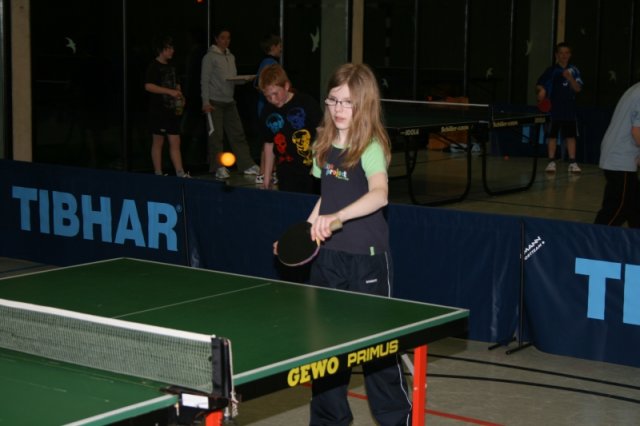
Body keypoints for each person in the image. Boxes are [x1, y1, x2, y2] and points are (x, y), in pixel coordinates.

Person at [304, 63, 412, 425]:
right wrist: (306, 231)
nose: (338, 109)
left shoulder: (371, 146)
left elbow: (380, 195)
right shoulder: (324, 144)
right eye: (333, 100)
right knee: (325, 352)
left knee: (377, 352)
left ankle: (396, 420)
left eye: (348, 102)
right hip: (328, 259)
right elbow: (326, 196)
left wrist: (338, 218)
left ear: (364, 104)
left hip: (367, 261)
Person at [200, 28, 260, 180]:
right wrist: (205, 102)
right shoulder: (209, 57)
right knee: (216, 136)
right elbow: (204, 81)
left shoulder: (231, 56)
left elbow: (230, 79)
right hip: (214, 102)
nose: (226, 41)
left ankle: (246, 165)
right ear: (216, 39)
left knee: (238, 134)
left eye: (228, 38)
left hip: (229, 101)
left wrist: (244, 79)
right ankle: (219, 167)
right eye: (222, 38)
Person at [258, 64, 322, 193]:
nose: (273, 100)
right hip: (285, 172)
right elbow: (269, 144)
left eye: (275, 94)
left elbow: (323, 133)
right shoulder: (267, 111)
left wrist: (318, 163)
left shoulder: (306, 103)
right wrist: (267, 176)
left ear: (286, 86)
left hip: (310, 171)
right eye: (268, 96)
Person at [594, 82, 640, 227]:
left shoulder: (636, 88)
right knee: (618, 208)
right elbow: (637, 133)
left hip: (619, 154)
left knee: (635, 207)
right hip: (621, 158)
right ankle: (597, 239)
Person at [144, 36, 189, 177]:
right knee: (158, 141)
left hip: (172, 110)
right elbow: (148, 86)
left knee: (175, 140)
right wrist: (169, 92)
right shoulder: (154, 66)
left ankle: (180, 172)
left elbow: (177, 83)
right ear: (161, 50)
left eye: (172, 48)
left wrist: (180, 96)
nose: (172, 51)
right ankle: (158, 172)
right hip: (158, 110)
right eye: (169, 48)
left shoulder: (173, 66)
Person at [536, 42, 584, 173]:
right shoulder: (551, 71)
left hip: (569, 108)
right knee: (552, 136)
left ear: (570, 55)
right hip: (553, 109)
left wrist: (570, 78)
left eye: (566, 53)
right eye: (561, 53)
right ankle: (551, 162)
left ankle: (572, 163)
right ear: (556, 55)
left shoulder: (574, 70)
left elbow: (578, 89)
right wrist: (541, 91)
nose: (564, 55)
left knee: (570, 136)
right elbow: (539, 85)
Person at [254, 34, 283, 184]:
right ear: (273, 47)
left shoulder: (267, 62)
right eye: (279, 46)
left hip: (267, 107)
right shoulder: (269, 63)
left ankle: (268, 171)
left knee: (270, 139)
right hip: (268, 108)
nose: (281, 49)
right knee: (269, 140)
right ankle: (263, 172)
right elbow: (260, 84)